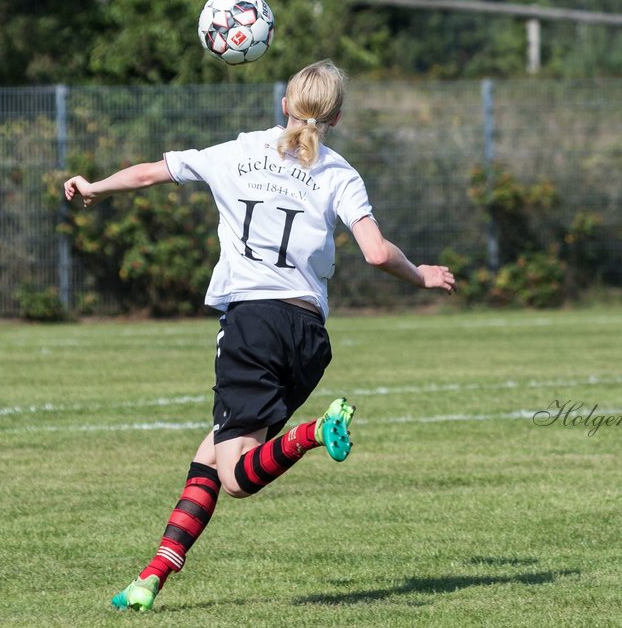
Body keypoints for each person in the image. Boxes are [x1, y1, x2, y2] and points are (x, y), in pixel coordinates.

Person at [63, 59, 456, 612]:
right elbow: (374, 252)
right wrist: (421, 275)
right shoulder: (338, 172)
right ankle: (150, 577)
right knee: (214, 456)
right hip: (308, 336)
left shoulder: (238, 152)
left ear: (284, 104)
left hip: (252, 326)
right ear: (337, 116)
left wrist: (96, 189)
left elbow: (152, 172)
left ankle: (317, 433)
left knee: (239, 479)